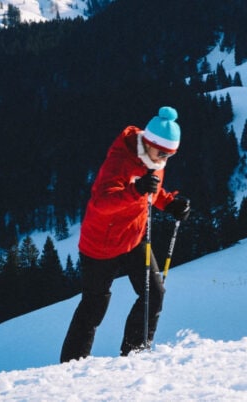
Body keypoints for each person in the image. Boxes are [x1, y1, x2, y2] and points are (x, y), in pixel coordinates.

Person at [60, 106, 191, 362]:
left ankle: (135, 354)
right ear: (148, 142)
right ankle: (71, 366)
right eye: (162, 152)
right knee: (94, 305)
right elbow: (101, 202)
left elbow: (151, 191)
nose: (165, 158)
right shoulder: (120, 162)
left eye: (170, 154)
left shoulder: (155, 159)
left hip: (134, 237)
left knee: (154, 292)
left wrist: (170, 202)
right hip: (101, 244)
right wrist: (136, 191)